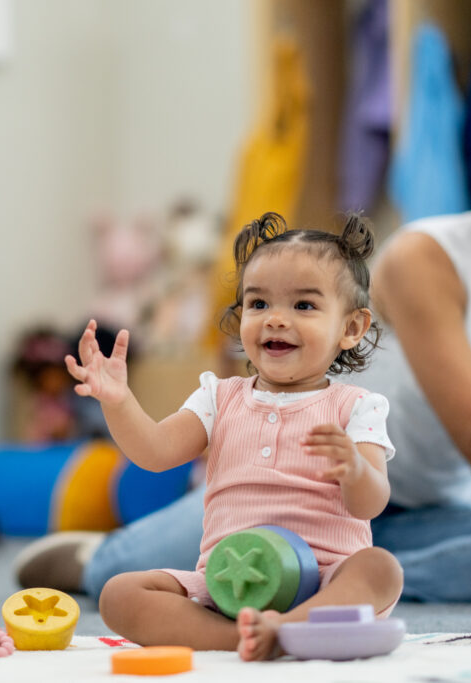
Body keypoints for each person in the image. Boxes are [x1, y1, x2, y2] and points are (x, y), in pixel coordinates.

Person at [15, 37, 471, 605]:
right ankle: (105, 556)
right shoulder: (426, 259)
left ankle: (333, 583)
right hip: (293, 490)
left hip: (405, 509)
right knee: (122, 576)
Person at [65, 212, 402, 660]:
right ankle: (245, 636)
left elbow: (370, 502)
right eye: (259, 304)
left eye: (303, 306)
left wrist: (356, 470)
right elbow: (155, 452)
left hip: (327, 578)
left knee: (381, 569)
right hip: (228, 586)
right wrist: (118, 401)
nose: (275, 320)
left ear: (351, 328)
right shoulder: (219, 396)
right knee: (120, 593)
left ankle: (289, 626)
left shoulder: (356, 406)